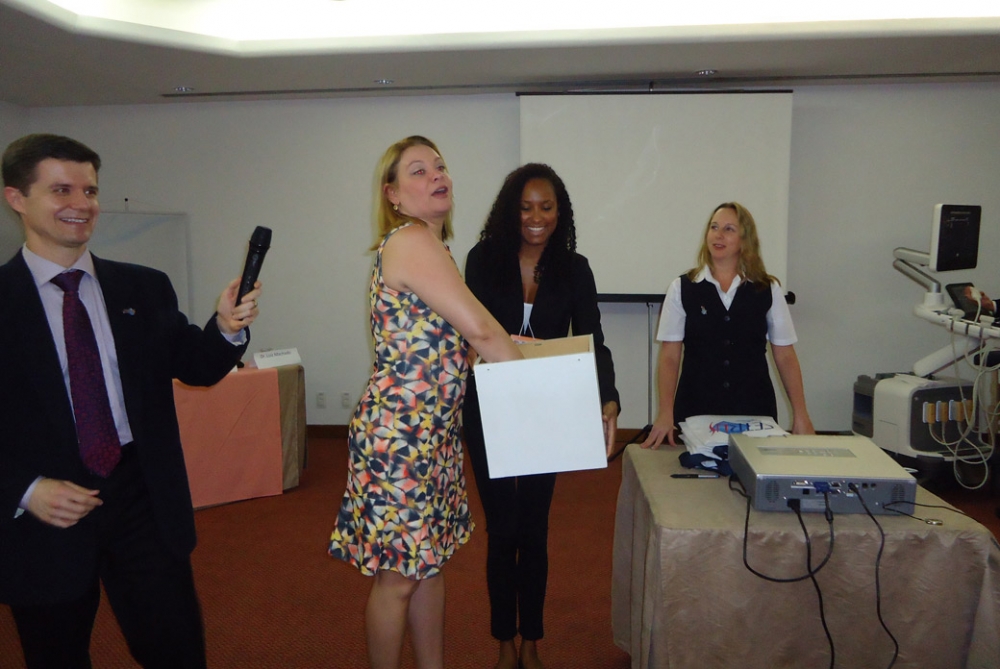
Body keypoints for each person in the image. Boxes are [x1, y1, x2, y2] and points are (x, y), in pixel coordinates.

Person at [0, 133, 261, 668]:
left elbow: (194, 365)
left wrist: (226, 327)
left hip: (141, 494)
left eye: (91, 190)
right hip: (45, 509)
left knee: (176, 651)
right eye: (62, 190)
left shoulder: (143, 287)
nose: (82, 204)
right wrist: (24, 489)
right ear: (16, 198)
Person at [328, 136, 523, 669]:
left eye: (439, 165)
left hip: (431, 436)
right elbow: (481, 330)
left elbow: (467, 338)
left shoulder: (435, 250)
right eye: (418, 170)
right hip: (399, 439)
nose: (437, 175)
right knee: (398, 579)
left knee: (429, 565)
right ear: (392, 194)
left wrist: (510, 351)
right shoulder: (410, 240)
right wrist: (541, 386)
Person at [462, 163, 620, 669]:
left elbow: (593, 338)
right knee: (501, 528)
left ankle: (531, 640)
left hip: (546, 413)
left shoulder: (575, 268)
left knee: (533, 528)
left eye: (546, 207)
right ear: (511, 211)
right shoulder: (482, 260)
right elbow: (467, 332)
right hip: (487, 409)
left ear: (560, 212)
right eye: (526, 207)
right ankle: (503, 643)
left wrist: (609, 398)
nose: (536, 217)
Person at [641, 201, 813, 449]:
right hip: (695, 409)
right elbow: (669, 356)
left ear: (745, 239)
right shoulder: (682, 288)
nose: (718, 235)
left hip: (754, 410)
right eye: (714, 227)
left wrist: (801, 414)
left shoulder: (768, 289)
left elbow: (785, 356)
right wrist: (665, 412)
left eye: (729, 229)